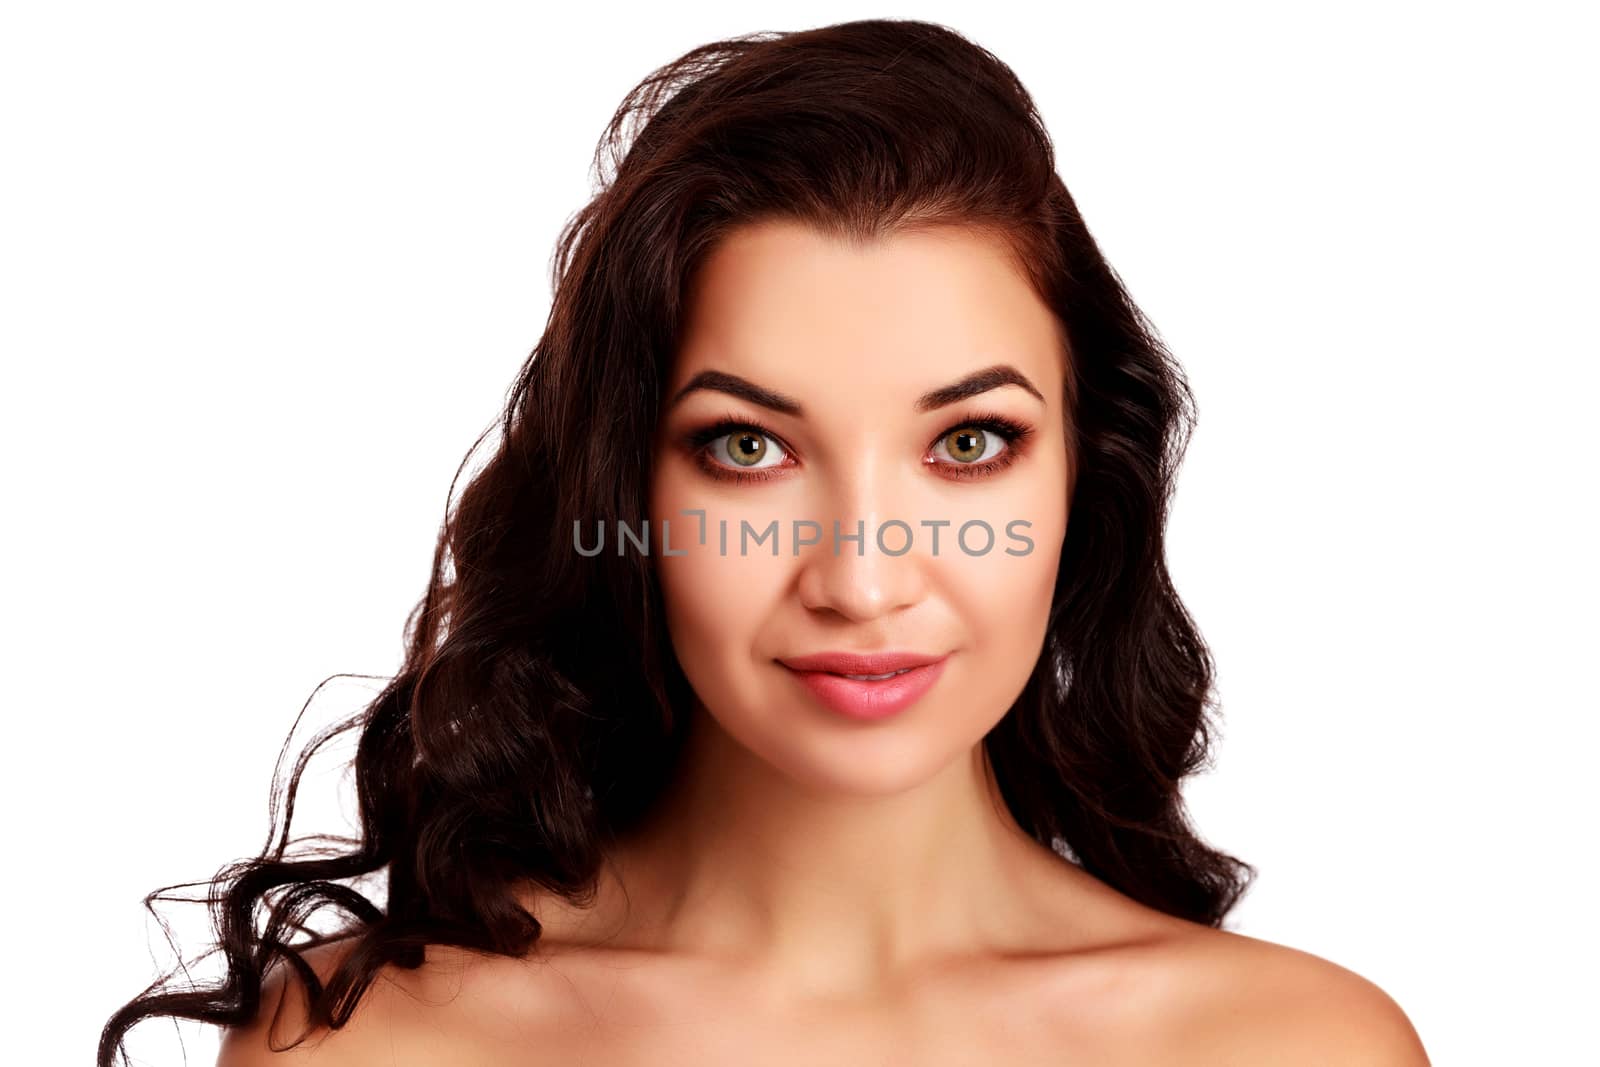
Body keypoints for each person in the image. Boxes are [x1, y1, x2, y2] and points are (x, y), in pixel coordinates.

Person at [101, 17, 1429, 1066]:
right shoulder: (381, 1050)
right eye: (749, 448)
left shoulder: (1292, 1052)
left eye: (970, 444)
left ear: (1090, 481)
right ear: (623, 488)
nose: (860, 578)